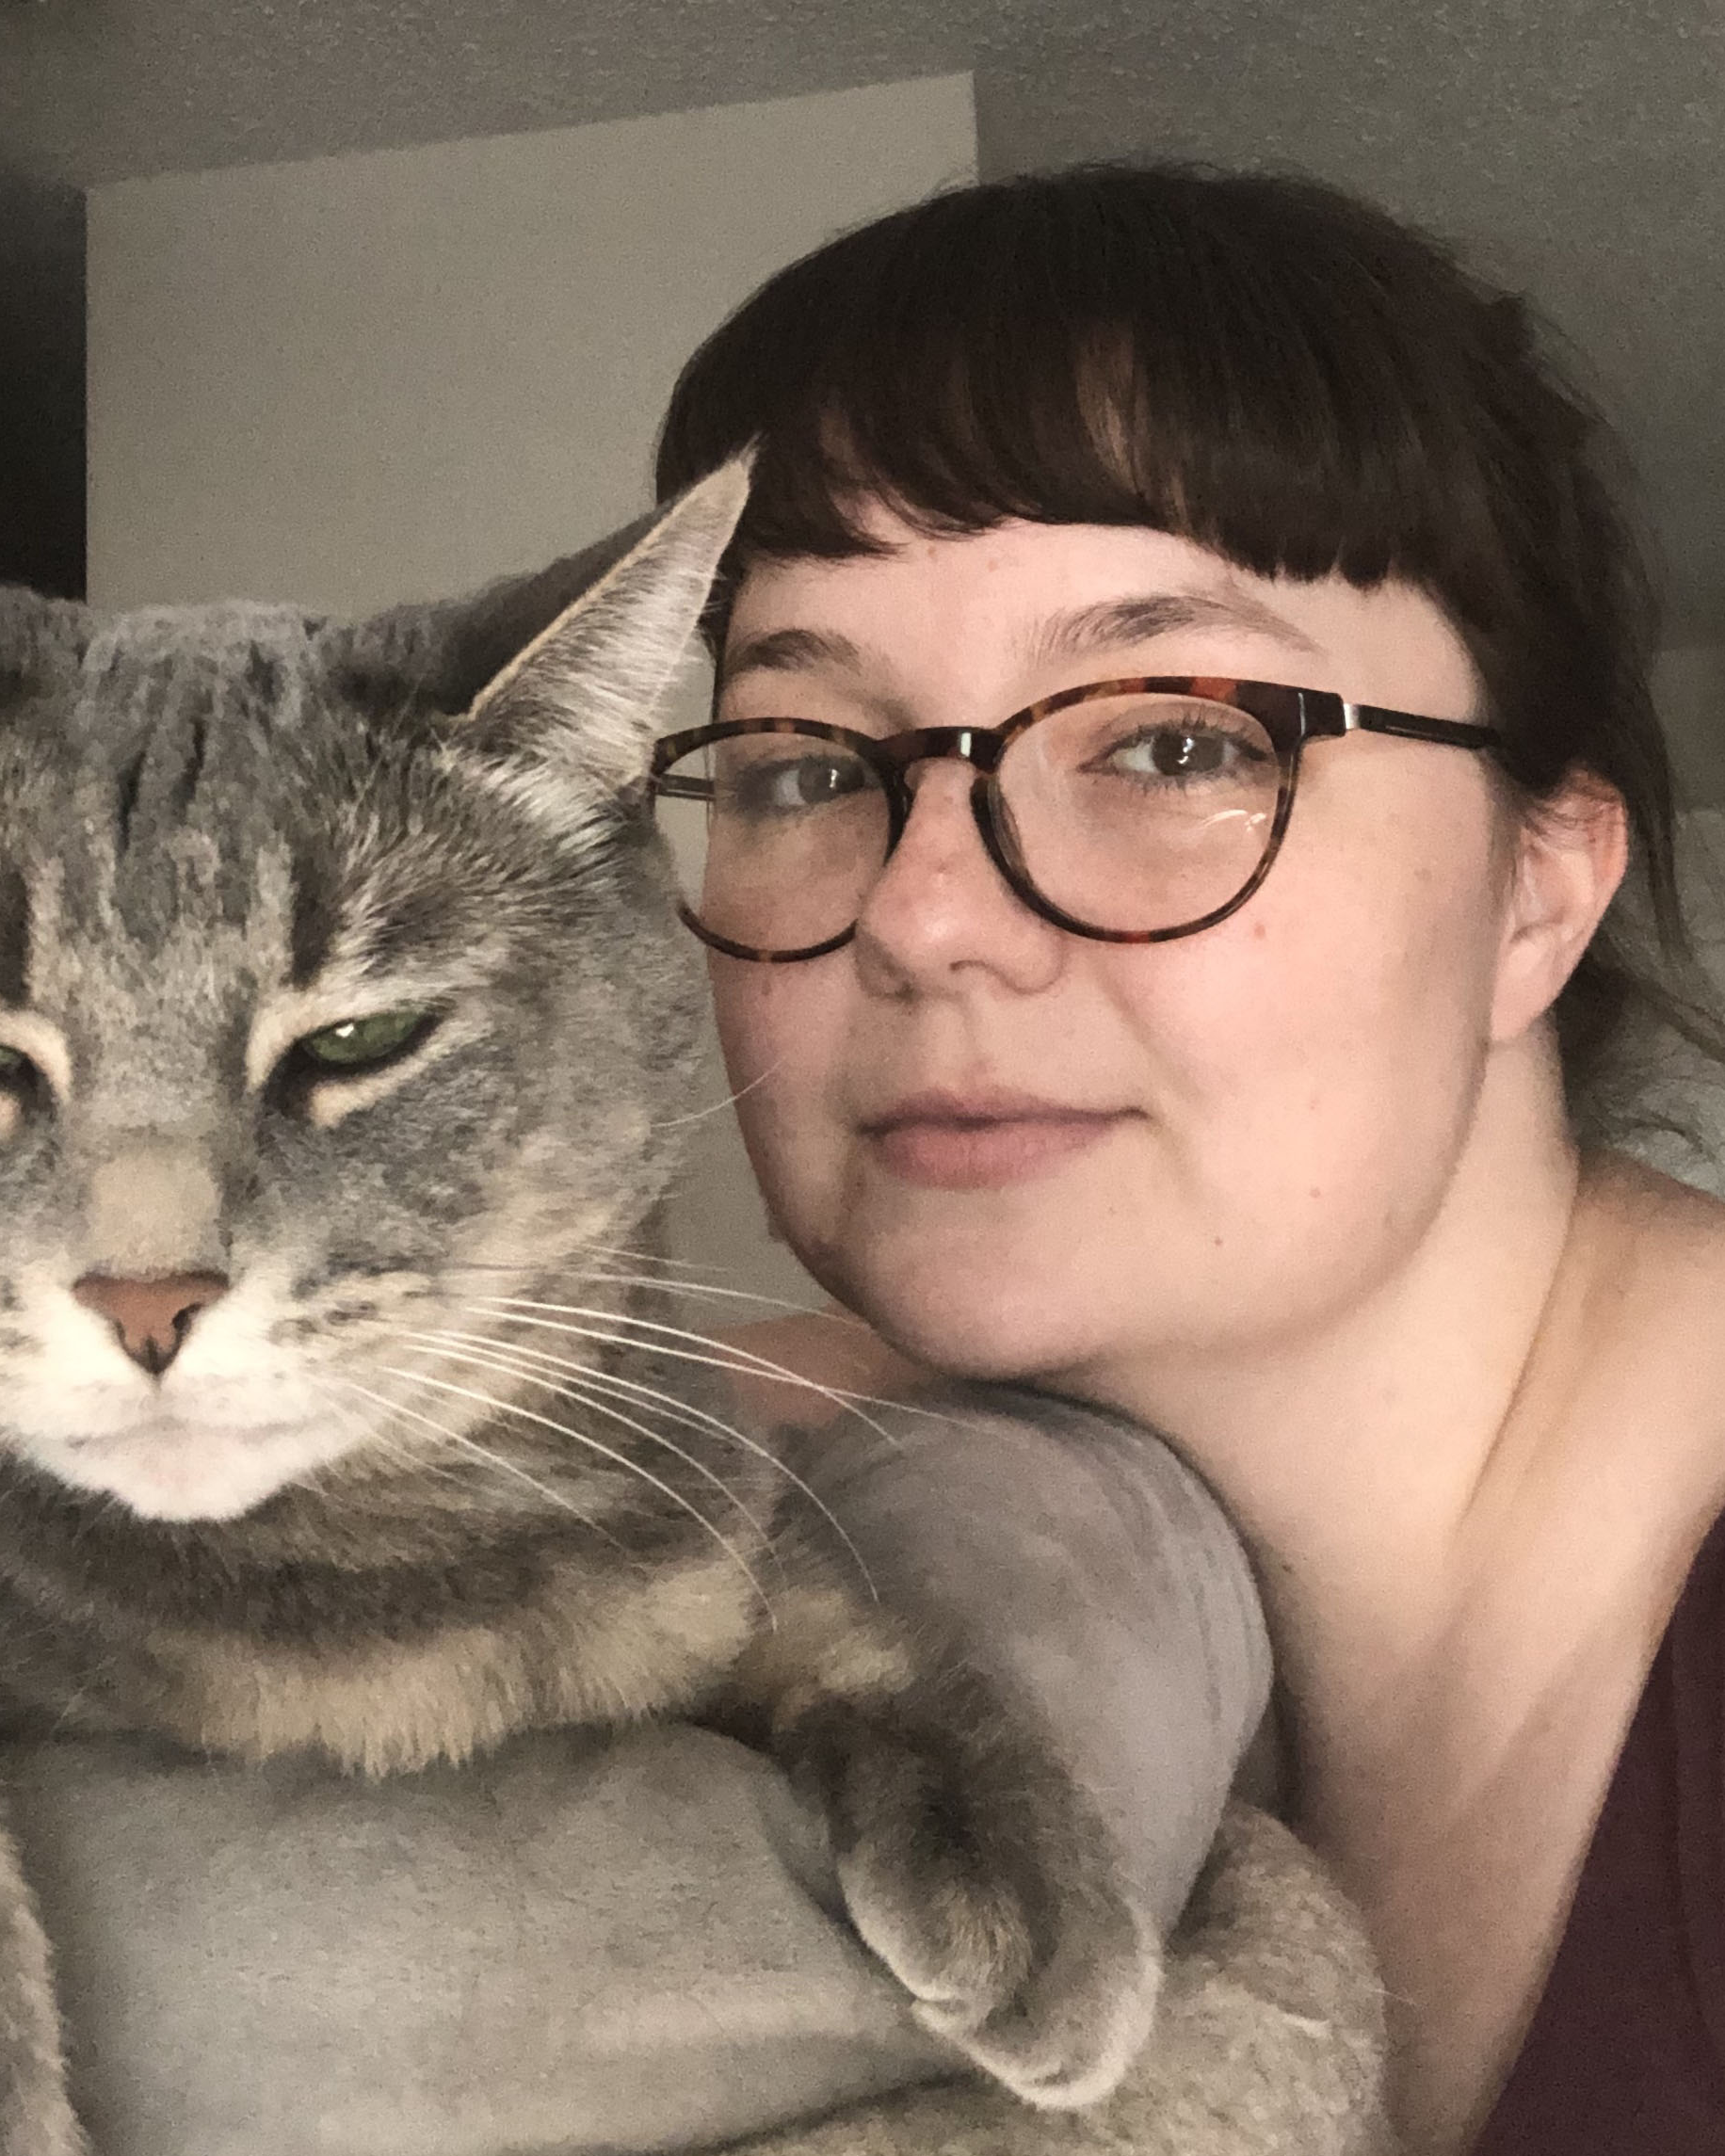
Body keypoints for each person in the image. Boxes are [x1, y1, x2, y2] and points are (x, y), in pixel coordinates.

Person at [647, 162, 1725, 2153]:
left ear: (1538, 894)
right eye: (804, 761)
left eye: (1169, 741)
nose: (926, 913)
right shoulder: (755, 1547)